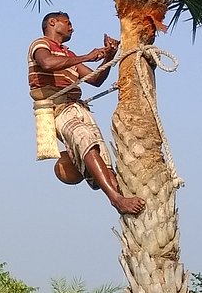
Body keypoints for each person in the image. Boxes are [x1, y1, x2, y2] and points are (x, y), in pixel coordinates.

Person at [28, 12, 145, 215]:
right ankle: (116, 199)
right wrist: (88, 57)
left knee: (102, 157)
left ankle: (123, 197)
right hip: (58, 110)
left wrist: (109, 56)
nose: (72, 28)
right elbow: (47, 63)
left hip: (77, 108)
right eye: (68, 23)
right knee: (85, 140)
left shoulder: (68, 55)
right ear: (52, 23)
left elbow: (95, 80)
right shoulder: (40, 44)